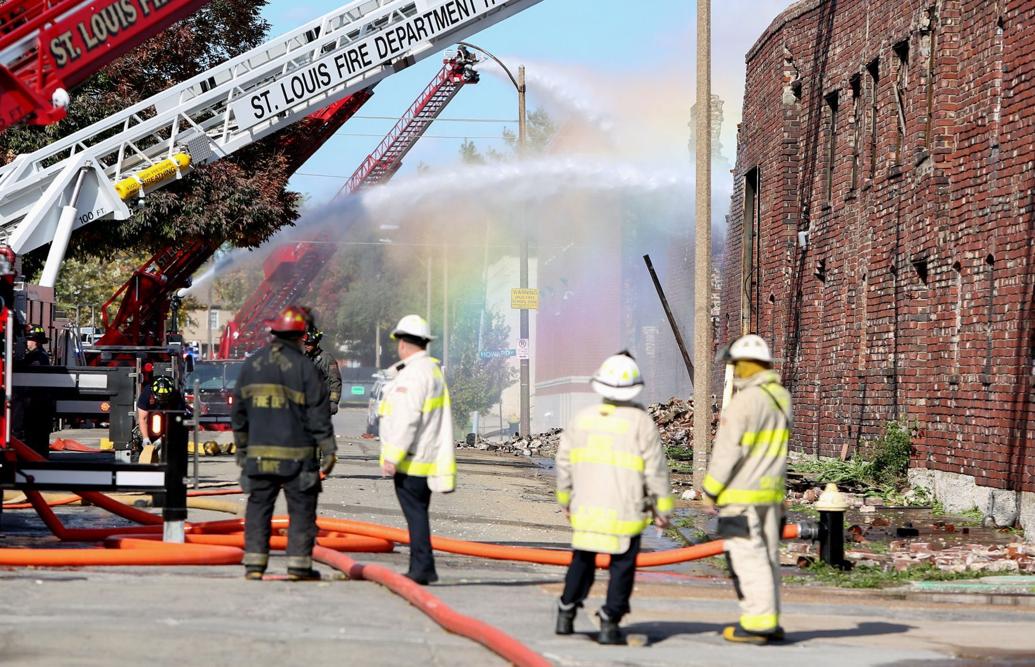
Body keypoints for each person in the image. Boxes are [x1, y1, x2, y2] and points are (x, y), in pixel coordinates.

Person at [554, 352, 673, 645]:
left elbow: (564, 462)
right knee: (622, 567)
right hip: (625, 511)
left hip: (587, 509)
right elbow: (655, 471)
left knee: (582, 560)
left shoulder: (582, 419)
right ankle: (610, 622)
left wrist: (565, 499)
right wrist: (663, 508)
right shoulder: (641, 423)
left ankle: (565, 613)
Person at [231, 305, 337, 581]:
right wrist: (328, 449)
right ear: (301, 335)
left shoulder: (252, 365)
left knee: (258, 508)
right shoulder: (305, 368)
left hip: (258, 457)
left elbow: (239, 414)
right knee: (301, 510)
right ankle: (299, 567)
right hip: (297, 459)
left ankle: (254, 565)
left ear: (274, 332)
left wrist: (242, 451)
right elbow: (319, 413)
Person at [702, 334, 792, 645]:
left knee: (747, 557)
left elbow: (727, 451)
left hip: (742, 496)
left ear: (743, 366)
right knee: (767, 557)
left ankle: (758, 623)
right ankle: (772, 618)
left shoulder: (745, 402)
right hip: (771, 494)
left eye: (736, 367)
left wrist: (711, 490)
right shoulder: (780, 398)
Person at [378, 314, 455, 585]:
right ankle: (422, 565)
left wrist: (392, 456)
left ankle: (422, 567)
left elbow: (406, 419)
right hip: (425, 457)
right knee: (418, 513)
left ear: (402, 343)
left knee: (415, 515)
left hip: (411, 460)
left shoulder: (413, 375)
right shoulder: (431, 371)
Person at [13, 326, 55, 457]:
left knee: (33, 438)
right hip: (36, 407)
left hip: (34, 406)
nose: (26, 343)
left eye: (28, 340)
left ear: (35, 341)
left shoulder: (37, 358)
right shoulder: (38, 355)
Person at [136, 375, 185, 455]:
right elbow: (143, 418)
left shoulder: (176, 396)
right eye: (159, 397)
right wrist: (145, 438)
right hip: (151, 418)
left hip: (169, 421)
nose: (162, 400)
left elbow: (177, 422)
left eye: (164, 397)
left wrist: (163, 439)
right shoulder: (147, 393)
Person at [304, 325, 342, 416]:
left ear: (316, 343)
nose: (307, 345)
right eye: (305, 343)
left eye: (310, 343)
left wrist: (333, 401)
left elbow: (335, 381)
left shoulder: (327, 359)